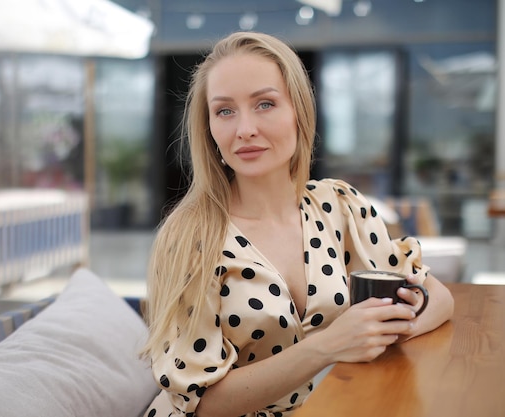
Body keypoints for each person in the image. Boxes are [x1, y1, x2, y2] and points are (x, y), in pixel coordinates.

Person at [141, 31, 454, 417]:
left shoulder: (338, 206)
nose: (244, 129)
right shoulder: (191, 236)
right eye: (225, 111)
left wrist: (386, 331)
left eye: (265, 104)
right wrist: (328, 346)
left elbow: (437, 296)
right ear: (209, 128)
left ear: (299, 111)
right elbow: (202, 403)